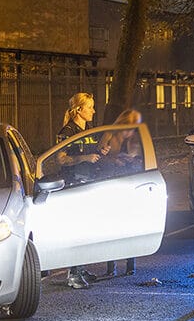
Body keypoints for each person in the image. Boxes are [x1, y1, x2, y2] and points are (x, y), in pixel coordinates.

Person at [55, 92, 108, 289]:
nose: (94, 111)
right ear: (79, 110)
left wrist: (100, 153)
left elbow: (90, 153)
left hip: (89, 182)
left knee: (87, 229)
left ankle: (81, 267)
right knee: (76, 229)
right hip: (74, 184)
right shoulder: (67, 131)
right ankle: (73, 274)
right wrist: (84, 159)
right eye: (90, 107)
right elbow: (60, 158)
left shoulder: (90, 130)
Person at [97, 108, 143, 277]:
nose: (131, 131)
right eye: (129, 127)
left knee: (129, 226)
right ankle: (111, 266)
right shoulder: (109, 134)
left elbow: (142, 160)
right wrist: (114, 160)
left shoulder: (136, 137)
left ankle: (130, 263)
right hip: (111, 183)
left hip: (129, 185)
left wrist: (132, 160)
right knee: (112, 226)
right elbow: (99, 157)